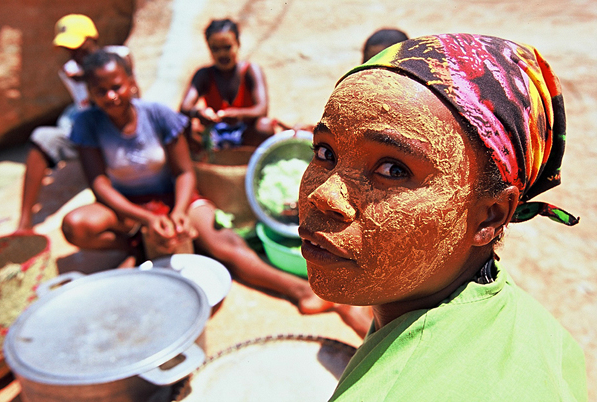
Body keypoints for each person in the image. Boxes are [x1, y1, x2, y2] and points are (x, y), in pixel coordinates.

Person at [298, 34, 586, 400]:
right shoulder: (540, 331)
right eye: (325, 152)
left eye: (393, 169)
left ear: (491, 216)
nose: (324, 195)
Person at [60, 50, 364, 324]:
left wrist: (179, 212)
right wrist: (147, 220)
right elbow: (100, 184)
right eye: (100, 91)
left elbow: (184, 173)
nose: (111, 96)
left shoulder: (157, 116)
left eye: (117, 87)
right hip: (127, 205)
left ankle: (300, 291)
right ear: (90, 94)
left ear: (131, 82)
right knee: (77, 225)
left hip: (173, 199)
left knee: (224, 245)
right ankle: (141, 244)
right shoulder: (87, 124)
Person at [17, 14, 135, 232]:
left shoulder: (118, 58)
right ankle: (24, 223)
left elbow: (129, 100)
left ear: (92, 39)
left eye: (78, 47)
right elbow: (85, 108)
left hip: (120, 133)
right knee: (43, 137)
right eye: (69, 49)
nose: (74, 54)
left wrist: (91, 78)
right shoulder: (70, 70)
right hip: (88, 134)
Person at [179, 18, 276, 152]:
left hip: (246, 132)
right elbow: (184, 107)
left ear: (238, 44)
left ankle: (248, 158)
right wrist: (200, 113)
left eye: (227, 47)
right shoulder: (204, 75)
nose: (222, 54)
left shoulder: (250, 71)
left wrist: (238, 115)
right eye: (215, 49)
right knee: (184, 126)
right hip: (214, 134)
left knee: (264, 126)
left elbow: (262, 109)